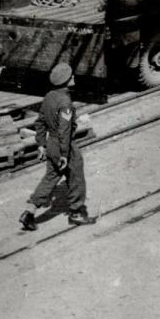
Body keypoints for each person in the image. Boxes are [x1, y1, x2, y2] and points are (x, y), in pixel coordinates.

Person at [20, 63, 94, 230]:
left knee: (51, 177)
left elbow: (39, 122)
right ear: (66, 81)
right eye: (71, 76)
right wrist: (64, 154)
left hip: (51, 144)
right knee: (76, 177)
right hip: (64, 146)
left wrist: (41, 144)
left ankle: (29, 211)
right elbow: (65, 130)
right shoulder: (65, 103)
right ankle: (76, 213)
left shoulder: (49, 97)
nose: (73, 77)